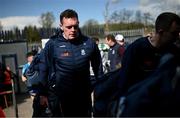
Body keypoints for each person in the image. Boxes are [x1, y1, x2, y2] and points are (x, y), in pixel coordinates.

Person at [38, 9, 103, 117]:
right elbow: (44, 68)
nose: (73, 30)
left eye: (75, 26)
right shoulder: (53, 44)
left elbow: (98, 67)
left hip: (84, 96)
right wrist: (42, 94)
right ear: (61, 26)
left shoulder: (89, 43)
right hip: (62, 97)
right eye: (68, 27)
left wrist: (101, 88)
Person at [118, 12, 180, 99]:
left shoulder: (174, 51)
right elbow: (124, 82)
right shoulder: (136, 49)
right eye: (174, 33)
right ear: (161, 32)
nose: (177, 37)